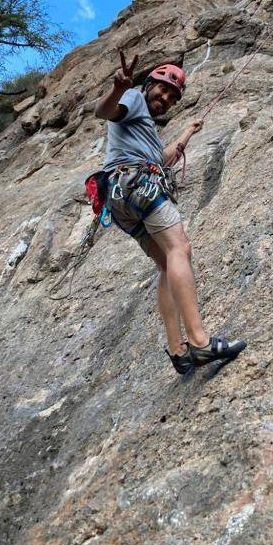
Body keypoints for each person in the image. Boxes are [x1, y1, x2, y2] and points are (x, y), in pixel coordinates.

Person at [94, 52, 247, 374]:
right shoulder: (132, 100)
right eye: (161, 89)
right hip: (138, 185)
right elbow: (104, 111)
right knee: (180, 249)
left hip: (120, 198)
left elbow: (163, 160)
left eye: (171, 96)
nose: (164, 97)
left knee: (166, 264)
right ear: (148, 85)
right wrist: (118, 89)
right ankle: (201, 343)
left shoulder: (142, 128)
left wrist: (187, 134)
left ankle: (179, 351)